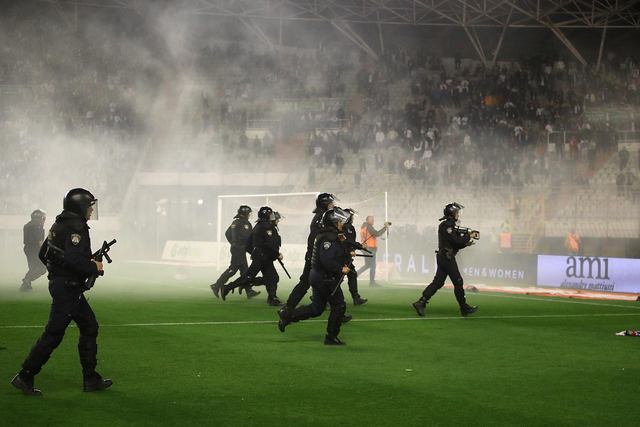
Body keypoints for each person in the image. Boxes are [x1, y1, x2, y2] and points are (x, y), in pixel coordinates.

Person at [11, 188, 112, 396]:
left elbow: (44, 254)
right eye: (89, 206)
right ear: (80, 206)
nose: (91, 211)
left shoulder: (59, 223)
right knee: (55, 333)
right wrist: (94, 267)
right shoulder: (77, 227)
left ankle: (90, 378)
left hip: (63, 285)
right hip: (68, 288)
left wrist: (60, 271)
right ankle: (26, 374)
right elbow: (75, 260)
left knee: (88, 326)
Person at [278, 208, 352, 345]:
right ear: (333, 222)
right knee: (339, 306)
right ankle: (331, 337)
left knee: (317, 308)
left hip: (318, 277)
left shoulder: (326, 235)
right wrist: (341, 268)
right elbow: (327, 260)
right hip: (326, 278)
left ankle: (288, 317)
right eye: (340, 221)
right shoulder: (329, 238)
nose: (342, 223)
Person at [412, 202, 479, 317]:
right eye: (457, 212)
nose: (458, 214)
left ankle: (421, 302)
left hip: (443, 256)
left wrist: (466, 243)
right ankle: (464, 307)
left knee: (438, 282)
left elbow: (455, 243)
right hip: (447, 258)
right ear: (452, 213)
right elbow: (456, 241)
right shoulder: (448, 225)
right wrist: (469, 236)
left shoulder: (448, 225)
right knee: (458, 282)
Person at [222, 206, 283, 306]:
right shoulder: (267, 227)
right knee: (250, 277)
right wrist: (276, 254)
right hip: (262, 258)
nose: (273, 217)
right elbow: (269, 245)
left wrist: (254, 252)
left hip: (263, 257)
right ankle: (229, 287)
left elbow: (249, 244)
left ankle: (272, 298)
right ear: (267, 215)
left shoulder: (258, 225)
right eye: (271, 214)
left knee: (273, 277)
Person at [210, 205, 259, 299]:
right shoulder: (245, 223)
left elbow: (227, 233)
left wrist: (233, 242)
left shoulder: (235, 222)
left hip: (236, 248)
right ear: (245, 213)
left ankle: (249, 291)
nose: (249, 215)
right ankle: (216, 285)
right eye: (249, 213)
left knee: (244, 270)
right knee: (233, 270)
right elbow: (248, 238)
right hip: (240, 249)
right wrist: (253, 250)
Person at [356, 215, 391, 287]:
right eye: (371, 219)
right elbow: (377, 234)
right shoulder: (368, 226)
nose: (373, 221)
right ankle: (372, 283)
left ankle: (355, 275)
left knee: (367, 265)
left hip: (365, 247)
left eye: (373, 219)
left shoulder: (364, 226)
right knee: (373, 266)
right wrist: (385, 227)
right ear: (367, 220)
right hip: (370, 248)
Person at [342, 208, 367, 305]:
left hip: (346, 256)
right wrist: (359, 246)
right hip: (342, 256)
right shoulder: (345, 227)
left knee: (352, 274)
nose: (352, 218)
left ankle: (356, 297)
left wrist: (353, 249)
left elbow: (350, 242)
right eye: (351, 216)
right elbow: (347, 241)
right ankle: (324, 299)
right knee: (337, 279)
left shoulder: (348, 227)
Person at [19, 209, 47, 292]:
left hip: (27, 248)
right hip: (35, 249)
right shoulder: (38, 226)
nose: (44, 220)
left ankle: (25, 286)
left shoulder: (27, 225)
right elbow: (40, 242)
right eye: (44, 218)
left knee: (32, 267)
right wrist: (45, 252)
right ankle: (27, 280)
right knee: (42, 268)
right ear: (41, 218)